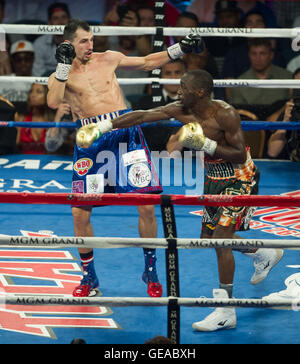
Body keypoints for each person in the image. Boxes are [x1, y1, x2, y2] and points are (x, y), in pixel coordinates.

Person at [79, 69, 284, 331]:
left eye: (183, 87)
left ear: (199, 91)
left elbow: (240, 156)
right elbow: (142, 115)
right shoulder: (180, 109)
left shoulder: (225, 113)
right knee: (209, 239)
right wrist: (102, 126)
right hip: (213, 177)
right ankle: (264, 252)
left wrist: (204, 144)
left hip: (240, 177)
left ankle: (225, 310)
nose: (178, 91)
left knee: (221, 239)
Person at [47, 18, 205, 298]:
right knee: (80, 213)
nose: (90, 45)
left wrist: (180, 48)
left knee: (145, 205)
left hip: (125, 131)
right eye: (84, 41)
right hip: (92, 140)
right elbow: (52, 100)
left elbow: (147, 62)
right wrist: (62, 66)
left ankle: (151, 272)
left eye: (92, 39)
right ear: (68, 43)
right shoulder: (62, 74)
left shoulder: (108, 58)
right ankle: (89, 276)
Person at [32, 2, 71, 77]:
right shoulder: (39, 44)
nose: (61, 22)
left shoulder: (78, 42)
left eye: (64, 17)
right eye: (56, 18)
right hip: (46, 85)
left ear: (70, 20)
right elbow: (38, 75)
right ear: (49, 23)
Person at [16, 83, 54, 154]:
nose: (33, 95)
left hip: (47, 162)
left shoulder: (52, 120)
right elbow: (15, 145)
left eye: (38, 92)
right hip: (23, 161)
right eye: (31, 91)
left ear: (47, 95)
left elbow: (55, 146)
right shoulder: (21, 119)